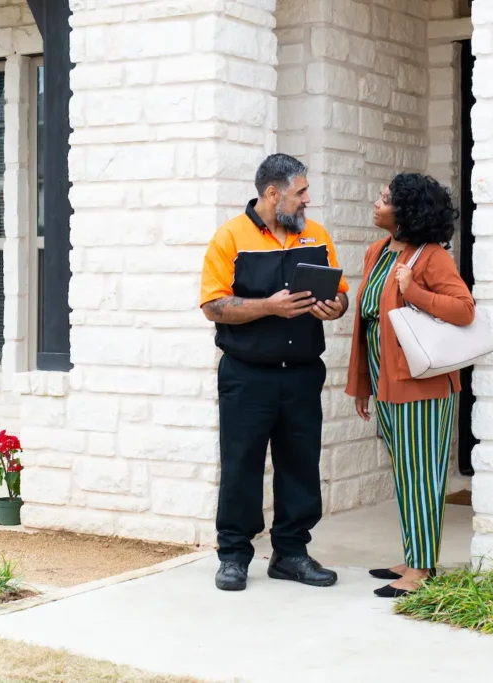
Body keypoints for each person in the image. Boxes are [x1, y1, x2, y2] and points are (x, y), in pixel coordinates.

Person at [199, 153, 349, 592]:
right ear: (272, 193)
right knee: (241, 464)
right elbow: (212, 305)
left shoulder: (316, 236)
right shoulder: (230, 237)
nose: (307, 200)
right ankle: (233, 555)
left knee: (301, 465)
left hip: (303, 373)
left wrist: (332, 307)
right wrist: (270, 306)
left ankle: (291, 554)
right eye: (300, 192)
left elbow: (340, 296)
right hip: (247, 375)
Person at [345, 172, 475, 598]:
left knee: (423, 474)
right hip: (386, 383)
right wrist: (362, 384)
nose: (376, 203)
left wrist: (414, 291)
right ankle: (412, 555)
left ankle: (422, 570)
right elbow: (367, 322)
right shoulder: (377, 252)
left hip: (422, 386)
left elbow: (463, 310)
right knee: (404, 472)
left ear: (405, 212)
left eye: (384, 198)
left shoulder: (431, 257)